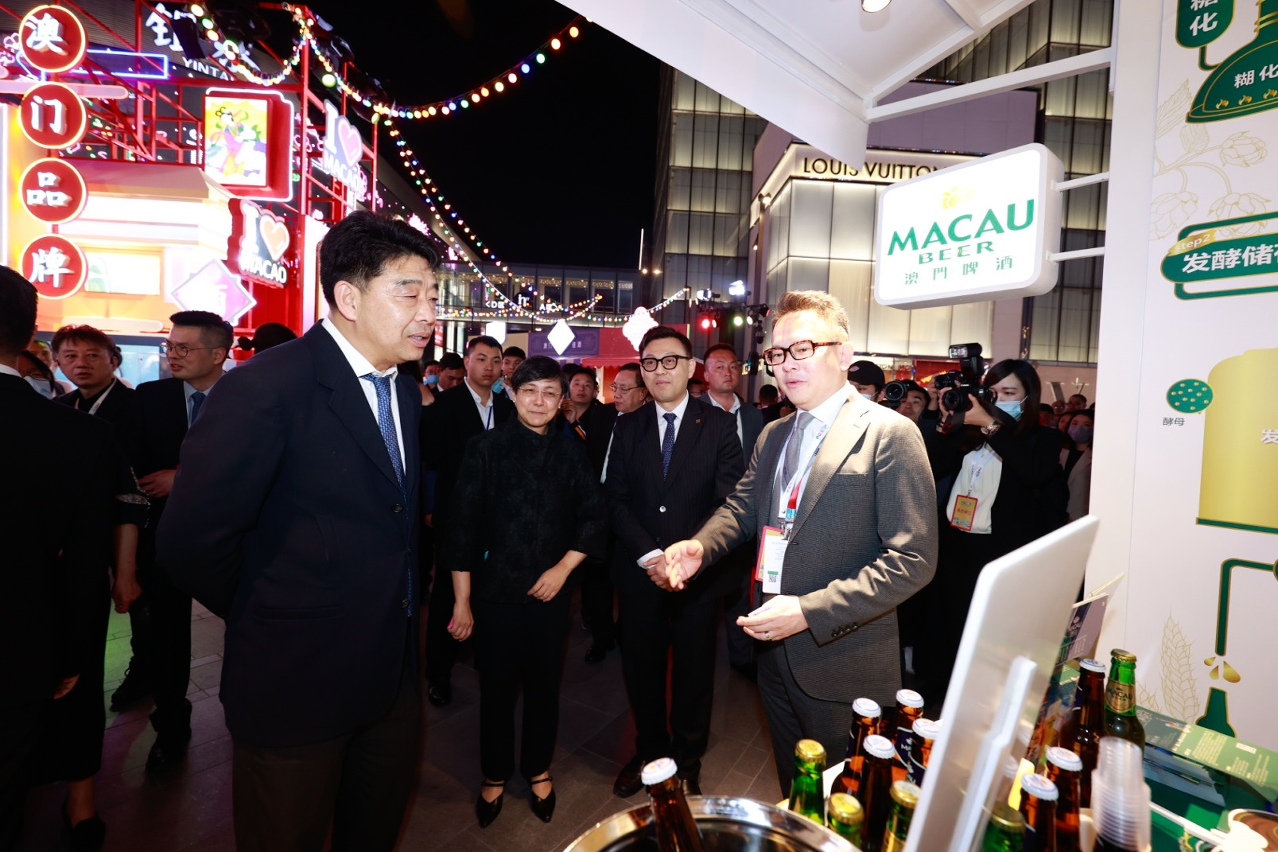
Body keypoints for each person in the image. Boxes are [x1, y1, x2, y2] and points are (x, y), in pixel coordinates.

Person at [157, 212, 437, 852]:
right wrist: (277, 610)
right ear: (348, 297)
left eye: (432, 295)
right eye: (410, 293)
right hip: (295, 683)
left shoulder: (401, 391)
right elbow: (190, 542)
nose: (429, 313)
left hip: (389, 679)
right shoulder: (264, 388)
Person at [663, 291, 938, 795]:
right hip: (773, 650)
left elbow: (912, 560)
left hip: (841, 659)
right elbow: (743, 508)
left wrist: (810, 611)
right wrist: (701, 546)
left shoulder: (889, 434)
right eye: (777, 353)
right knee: (796, 792)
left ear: (844, 354)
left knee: (846, 804)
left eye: (803, 349)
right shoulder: (774, 433)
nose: (786, 364)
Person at [444, 356, 608, 827]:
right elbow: (461, 529)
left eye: (549, 393)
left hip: (549, 596)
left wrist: (562, 569)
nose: (539, 401)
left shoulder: (571, 453)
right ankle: (494, 774)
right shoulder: (484, 449)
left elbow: (594, 517)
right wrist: (461, 601)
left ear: (562, 401)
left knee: (544, 687)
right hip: (494, 593)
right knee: (495, 688)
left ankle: (538, 769)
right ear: (512, 394)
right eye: (530, 391)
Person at [0, 269, 122, 850]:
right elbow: (82, 561)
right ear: (31, 337)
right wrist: (71, 651)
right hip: (23, 644)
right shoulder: (77, 435)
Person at [606, 326, 744, 797]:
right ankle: (649, 752)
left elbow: (728, 503)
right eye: (650, 362)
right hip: (640, 572)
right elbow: (616, 500)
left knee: (694, 673)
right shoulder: (627, 426)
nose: (659, 370)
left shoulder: (719, 426)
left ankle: (687, 760)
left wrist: (689, 557)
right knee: (640, 669)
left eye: (670, 361)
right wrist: (651, 556)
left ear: (690, 368)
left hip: (699, 577)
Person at [115, 310, 231, 775]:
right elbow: (131, 468)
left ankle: (250, 713)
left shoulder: (251, 396)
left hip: (234, 536)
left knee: (248, 629)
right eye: (171, 346)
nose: (173, 355)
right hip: (164, 536)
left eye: (185, 347)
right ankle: (170, 726)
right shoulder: (150, 397)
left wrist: (184, 478)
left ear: (218, 354)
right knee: (166, 634)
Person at [923, 358, 1068, 704]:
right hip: (955, 544)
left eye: (1009, 392)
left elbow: (1033, 473)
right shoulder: (968, 434)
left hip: (1001, 551)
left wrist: (990, 425)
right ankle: (944, 702)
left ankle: (986, 704)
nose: (1000, 398)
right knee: (950, 630)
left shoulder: (1043, 438)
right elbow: (930, 467)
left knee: (992, 638)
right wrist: (947, 421)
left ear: (1028, 397)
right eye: (993, 392)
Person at [420, 335, 515, 707]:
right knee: (447, 594)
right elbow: (432, 457)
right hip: (457, 514)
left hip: (499, 518)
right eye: (482, 359)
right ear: (467, 362)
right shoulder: (446, 404)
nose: (489, 367)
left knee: (491, 591)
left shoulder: (508, 407)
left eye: (496, 360)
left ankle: (486, 659)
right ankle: (438, 674)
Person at [702, 342, 765, 679]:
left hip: (746, 516)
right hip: (706, 516)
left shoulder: (754, 416)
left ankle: (741, 657)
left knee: (741, 590)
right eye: (719, 366)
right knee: (704, 591)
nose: (727, 372)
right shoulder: (695, 411)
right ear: (705, 373)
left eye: (733, 366)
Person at [561, 367, 621, 663]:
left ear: (596, 390)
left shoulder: (604, 416)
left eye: (588, 384)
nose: (582, 388)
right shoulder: (555, 415)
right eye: (577, 383)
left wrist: (575, 424)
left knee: (600, 574)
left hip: (600, 504)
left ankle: (603, 633)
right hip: (569, 506)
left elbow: (594, 451)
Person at [1064, 409, 1094, 522]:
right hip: (1057, 513)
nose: (1079, 428)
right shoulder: (1061, 451)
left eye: (1086, 425)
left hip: (1081, 515)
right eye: (1075, 423)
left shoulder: (1096, 456)